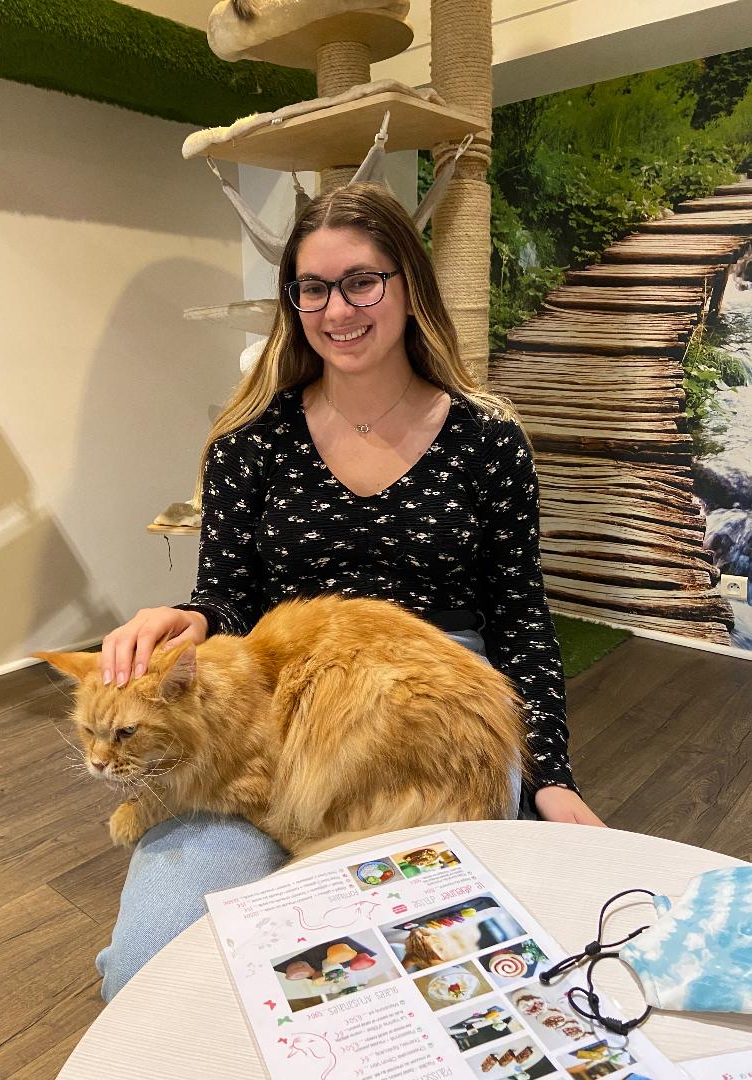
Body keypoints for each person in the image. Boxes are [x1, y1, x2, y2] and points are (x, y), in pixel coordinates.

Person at [96, 182, 604, 1001]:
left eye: (362, 281)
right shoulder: (248, 441)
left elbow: (519, 619)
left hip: (435, 707)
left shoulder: (487, 438)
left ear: (408, 284)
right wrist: (187, 619)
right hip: (278, 705)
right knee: (150, 968)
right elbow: (226, 597)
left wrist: (550, 773)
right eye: (312, 288)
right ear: (292, 301)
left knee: (410, 971)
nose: (338, 309)